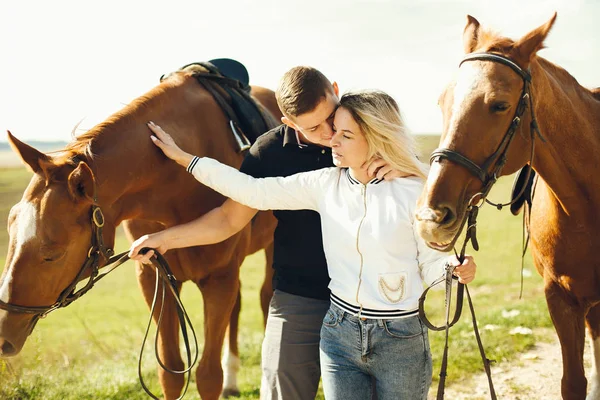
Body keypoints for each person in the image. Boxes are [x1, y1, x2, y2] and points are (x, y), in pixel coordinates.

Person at [131, 90, 477, 399]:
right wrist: (185, 160)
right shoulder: (323, 183)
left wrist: (452, 270)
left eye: (344, 134)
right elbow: (251, 191)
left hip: (399, 336)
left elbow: (432, 260)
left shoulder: (411, 189)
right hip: (339, 330)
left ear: (374, 137)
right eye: (329, 131)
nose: (331, 141)